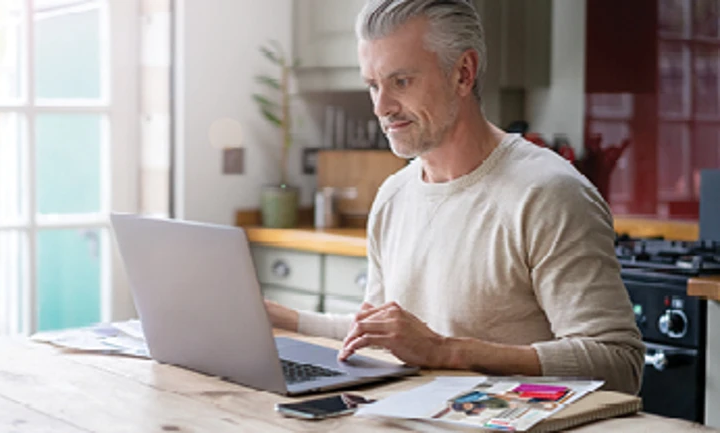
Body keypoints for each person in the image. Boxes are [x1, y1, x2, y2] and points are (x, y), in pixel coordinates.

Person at [265, 0, 645, 395]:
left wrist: (448, 352)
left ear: (463, 73)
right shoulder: (394, 196)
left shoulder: (548, 194)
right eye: (373, 85)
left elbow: (619, 365)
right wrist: (278, 319)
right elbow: (377, 335)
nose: (381, 107)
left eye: (401, 81)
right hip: (411, 417)